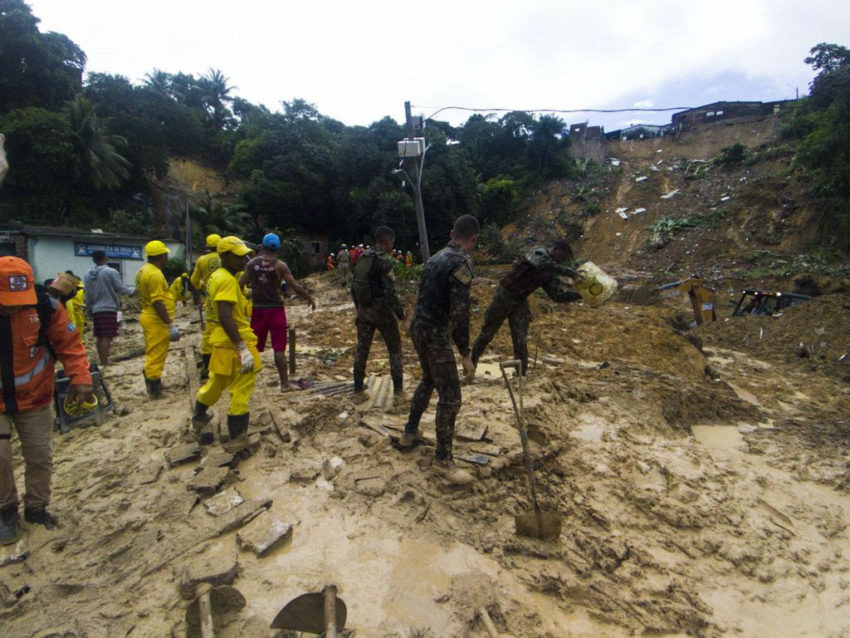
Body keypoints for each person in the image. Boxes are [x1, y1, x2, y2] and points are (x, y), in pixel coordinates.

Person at [0, 257, 94, 544]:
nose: (14, 306)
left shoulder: (45, 307)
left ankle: (36, 507)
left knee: (39, 455)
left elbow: (70, 344)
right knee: (1, 456)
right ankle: (5, 512)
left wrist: (80, 377)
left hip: (36, 396)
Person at [400, 215, 480, 483]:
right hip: (435, 333)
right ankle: (443, 461)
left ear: (451, 232)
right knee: (451, 396)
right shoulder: (462, 263)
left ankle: (410, 432)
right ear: (474, 238)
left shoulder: (436, 257)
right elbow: (460, 314)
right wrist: (466, 354)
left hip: (418, 327)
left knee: (428, 378)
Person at [471, 240, 582, 376]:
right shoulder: (539, 252)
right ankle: (470, 365)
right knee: (487, 333)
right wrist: (569, 272)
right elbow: (541, 264)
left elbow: (556, 296)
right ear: (556, 250)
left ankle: (520, 373)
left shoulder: (551, 271)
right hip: (504, 295)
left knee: (520, 338)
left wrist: (581, 295)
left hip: (520, 300)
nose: (562, 261)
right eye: (562, 257)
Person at [192, 237, 261, 443]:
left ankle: (199, 415)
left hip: (219, 339)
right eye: (238, 256)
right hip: (234, 339)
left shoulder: (215, 276)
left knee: (217, 380)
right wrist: (242, 348)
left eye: (245, 255)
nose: (244, 260)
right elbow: (225, 315)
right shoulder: (228, 281)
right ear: (223, 256)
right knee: (243, 383)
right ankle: (238, 436)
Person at [241, 233, 316, 390]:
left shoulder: (252, 263)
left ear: (262, 246)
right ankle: (284, 383)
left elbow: (239, 284)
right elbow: (295, 286)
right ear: (278, 247)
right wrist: (309, 298)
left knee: (252, 346)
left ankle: (242, 380)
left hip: (258, 309)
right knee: (279, 348)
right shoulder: (280, 265)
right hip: (275, 309)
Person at [351, 226, 406, 395]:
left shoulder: (362, 258)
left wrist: (359, 307)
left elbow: (354, 286)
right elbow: (390, 293)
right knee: (394, 349)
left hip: (364, 310)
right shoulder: (385, 261)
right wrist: (400, 314)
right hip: (382, 312)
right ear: (388, 242)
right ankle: (398, 389)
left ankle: (358, 387)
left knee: (362, 349)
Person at [135, 240, 179, 398]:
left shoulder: (143, 270)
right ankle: (154, 388)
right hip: (155, 319)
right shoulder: (154, 274)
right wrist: (169, 324)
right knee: (156, 354)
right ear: (162, 255)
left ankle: (154, 381)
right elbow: (157, 302)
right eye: (166, 254)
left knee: (153, 351)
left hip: (148, 315)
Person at [83, 250, 135, 367]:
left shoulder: (87, 275)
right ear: (106, 258)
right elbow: (120, 287)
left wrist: (89, 307)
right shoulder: (110, 271)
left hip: (96, 309)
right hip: (108, 307)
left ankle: (102, 361)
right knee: (108, 336)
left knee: (100, 336)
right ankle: (105, 363)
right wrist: (133, 290)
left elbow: (88, 294)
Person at [190, 234, 223, 380]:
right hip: (227, 296)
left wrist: (202, 290)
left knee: (209, 331)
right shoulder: (226, 258)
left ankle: (207, 367)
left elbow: (194, 280)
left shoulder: (202, 260)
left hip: (210, 299)